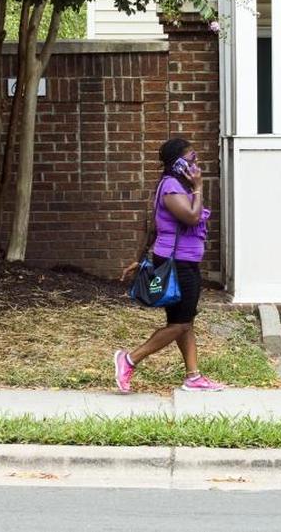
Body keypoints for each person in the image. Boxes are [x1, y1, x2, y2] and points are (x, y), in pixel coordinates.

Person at [114, 137, 224, 393]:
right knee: (181, 323)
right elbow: (192, 216)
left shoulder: (174, 186)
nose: (196, 164)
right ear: (177, 165)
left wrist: (139, 257)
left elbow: (152, 227)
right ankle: (129, 360)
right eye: (191, 159)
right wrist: (199, 187)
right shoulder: (173, 187)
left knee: (184, 320)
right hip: (178, 265)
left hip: (183, 262)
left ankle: (193, 377)